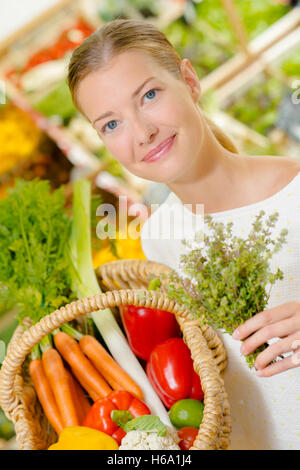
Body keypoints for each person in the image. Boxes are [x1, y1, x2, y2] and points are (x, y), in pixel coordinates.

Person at [67, 18, 300, 450]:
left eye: (149, 96)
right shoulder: (159, 239)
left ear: (189, 82)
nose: (141, 132)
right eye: (111, 124)